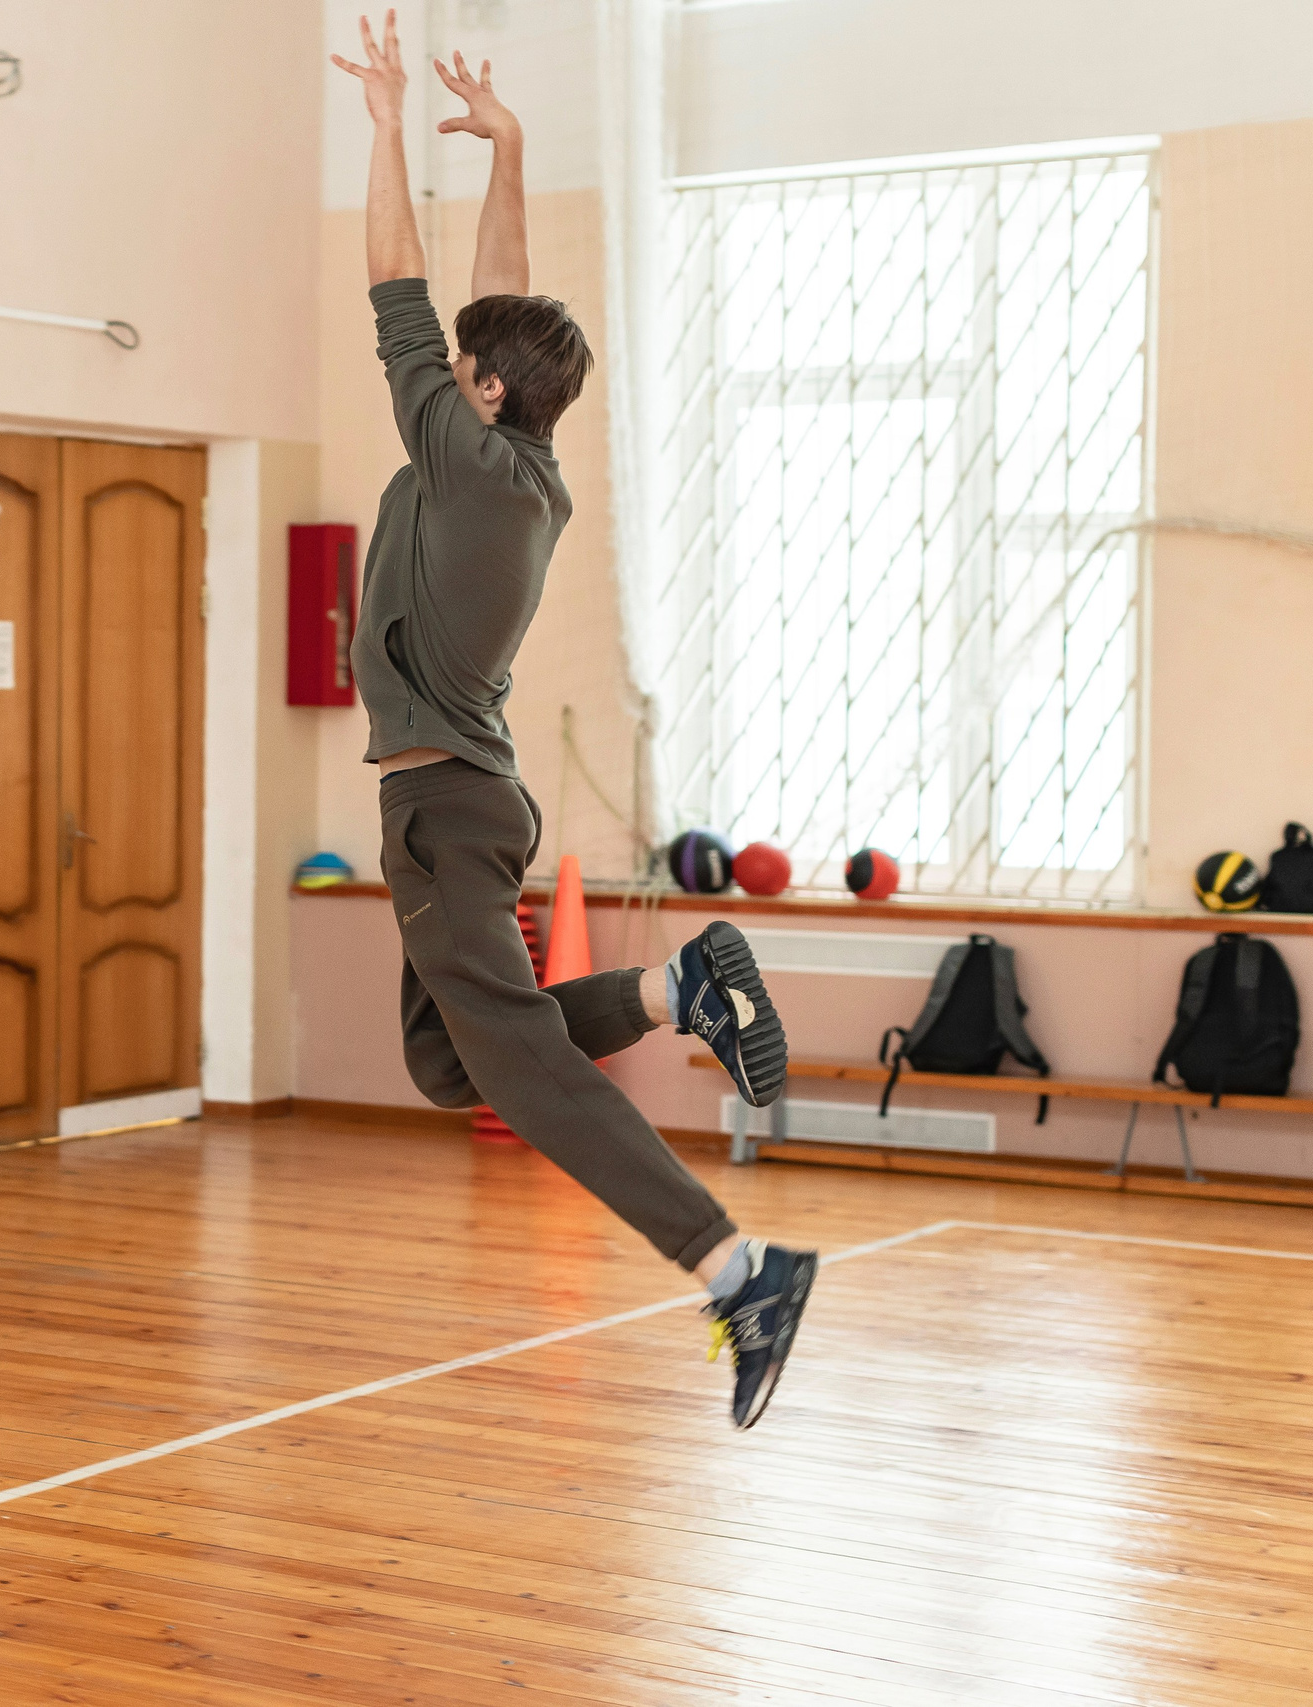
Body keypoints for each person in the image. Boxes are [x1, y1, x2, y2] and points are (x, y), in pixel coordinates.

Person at [331, 12, 817, 1428]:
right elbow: (498, 310)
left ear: (480, 397)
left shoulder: (468, 456)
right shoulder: (522, 460)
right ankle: (683, 989)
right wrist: (512, 150)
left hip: (440, 803)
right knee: (446, 1062)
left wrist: (380, 127)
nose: (448, 372)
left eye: (463, 371)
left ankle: (738, 1268)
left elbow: (402, 292)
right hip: (469, 797)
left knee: (522, 1071)